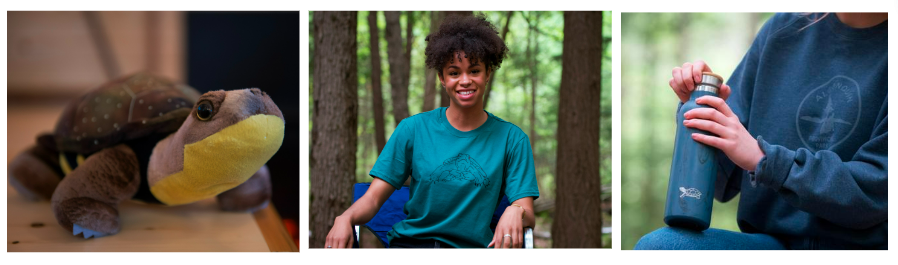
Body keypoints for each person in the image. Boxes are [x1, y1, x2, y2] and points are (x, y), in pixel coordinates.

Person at [636, 13, 887, 250]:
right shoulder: (784, 30)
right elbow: (722, 180)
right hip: (770, 246)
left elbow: (877, 193)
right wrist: (699, 109)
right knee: (661, 248)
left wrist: (764, 159)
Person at [324, 14, 539, 248]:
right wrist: (344, 217)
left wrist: (515, 210)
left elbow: (527, 210)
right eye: (454, 72)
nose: (465, 80)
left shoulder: (512, 139)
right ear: (442, 79)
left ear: (488, 74)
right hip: (411, 247)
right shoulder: (413, 129)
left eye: (474, 70)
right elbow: (374, 198)